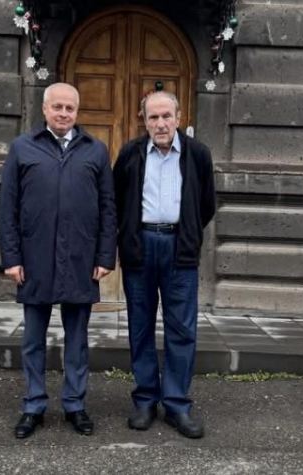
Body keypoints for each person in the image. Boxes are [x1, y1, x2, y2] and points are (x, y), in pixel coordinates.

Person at [0, 82, 116, 439]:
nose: (64, 114)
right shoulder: (22, 148)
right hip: (35, 259)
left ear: (77, 111)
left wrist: (105, 255)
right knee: (33, 340)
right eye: (58, 107)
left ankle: (75, 405)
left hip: (81, 258)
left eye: (70, 108)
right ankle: (33, 405)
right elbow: (8, 208)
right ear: (45, 109)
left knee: (77, 340)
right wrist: (12, 258)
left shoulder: (95, 150)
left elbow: (108, 208)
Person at [113, 91, 216, 439]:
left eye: (166, 116)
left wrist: (187, 233)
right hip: (140, 247)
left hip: (179, 247)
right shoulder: (130, 153)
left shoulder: (197, 154)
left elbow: (206, 204)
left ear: (178, 117)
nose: (160, 123)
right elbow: (117, 199)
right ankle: (145, 400)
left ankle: (176, 404)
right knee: (140, 326)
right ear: (144, 120)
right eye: (153, 117)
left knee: (181, 329)